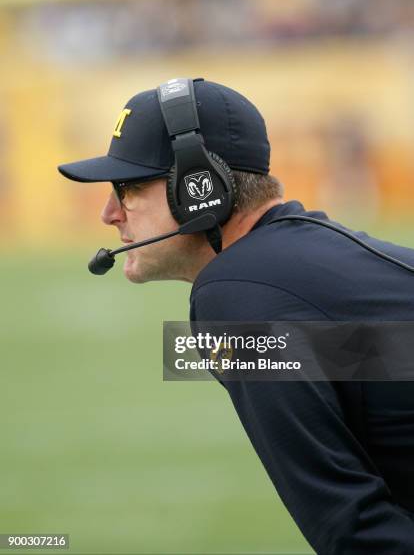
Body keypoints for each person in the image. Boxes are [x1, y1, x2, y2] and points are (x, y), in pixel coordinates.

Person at [58, 78, 414, 554]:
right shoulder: (303, 260)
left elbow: (354, 528)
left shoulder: (234, 296)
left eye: (127, 188)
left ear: (198, 187)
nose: (108, 214)